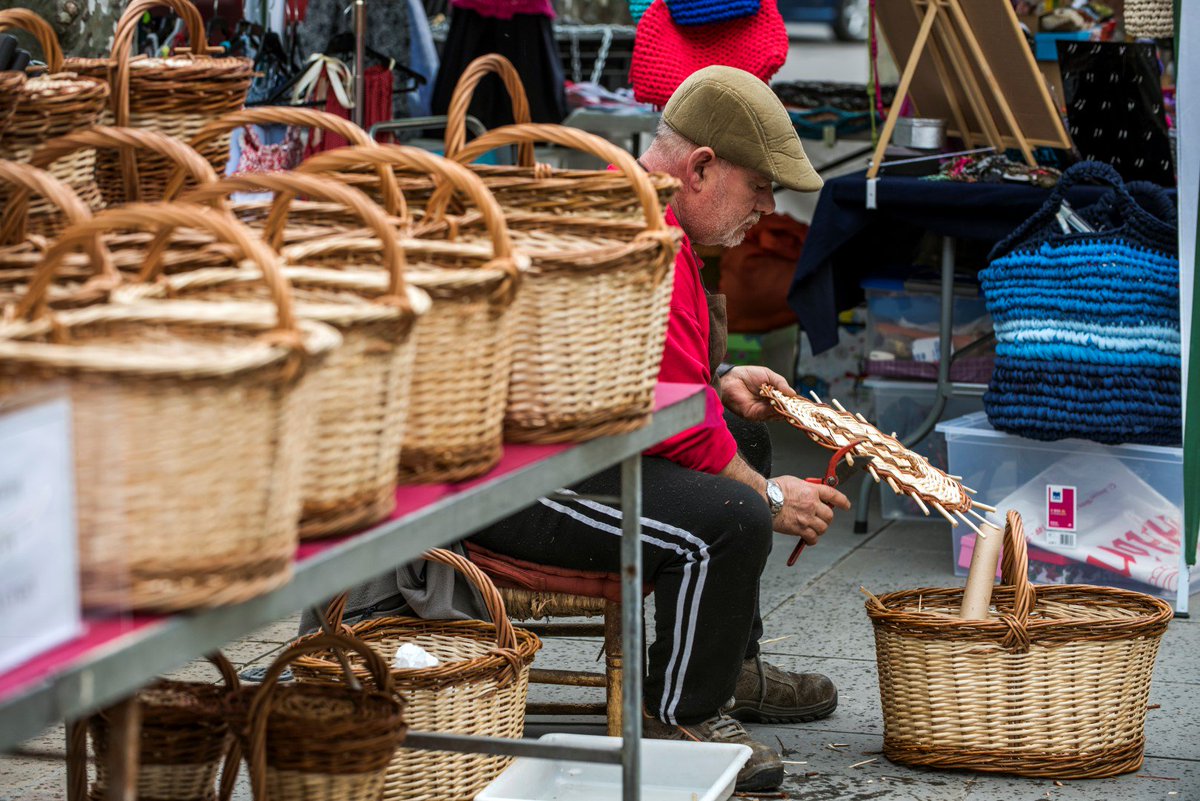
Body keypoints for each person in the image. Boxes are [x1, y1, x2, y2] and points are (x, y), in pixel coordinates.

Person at [468, 65, 852, 792]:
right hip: (520, 486)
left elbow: (653, 379)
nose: (767, 207)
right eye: (759, 186)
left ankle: (729, 667)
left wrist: (718, 378)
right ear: (700, 168)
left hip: (575, 446)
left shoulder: (653, 219)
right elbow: (674, 424)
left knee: (748, 441)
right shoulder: (645, 235)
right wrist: (774, 499)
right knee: (734, 514)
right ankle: (680, 713)